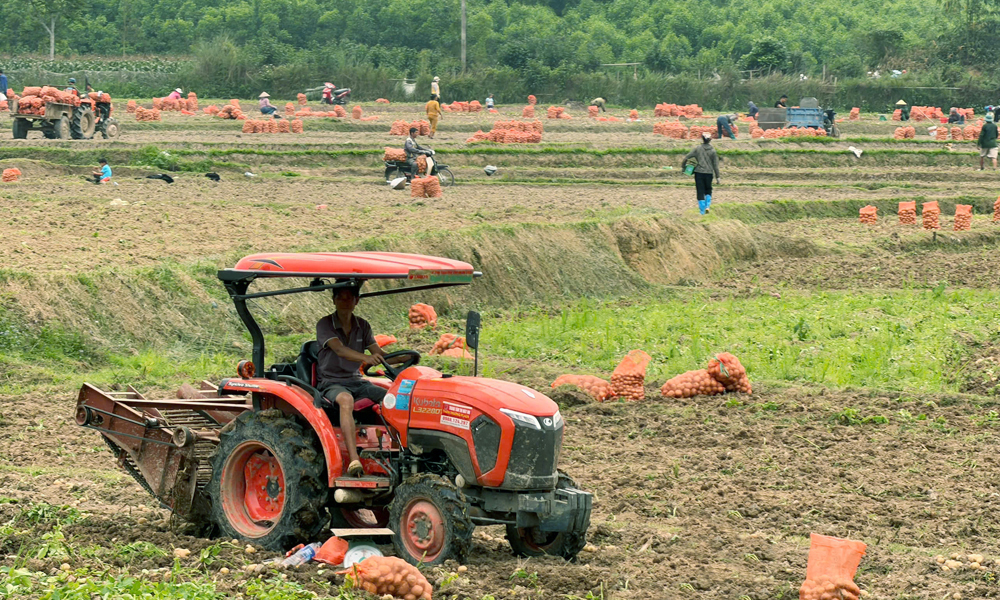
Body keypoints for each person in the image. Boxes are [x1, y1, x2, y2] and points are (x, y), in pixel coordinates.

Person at [316, 285, 403, 477]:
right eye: (341, 298)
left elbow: (378, 354)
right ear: (334, 300)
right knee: (345, 400)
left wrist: (404, 359)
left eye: (349, 298)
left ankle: (402, 450)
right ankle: (354, 460)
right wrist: (364, 358)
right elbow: (339, 349)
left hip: (356, 381)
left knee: (391, 397)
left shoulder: (362, 326)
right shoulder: (325, 324)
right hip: (331, 382)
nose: (345, 302)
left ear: (357, 301)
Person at [681, 132, 721, 215]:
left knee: (700, 191)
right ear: (710, 140)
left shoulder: (697, 149)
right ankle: (707, 206)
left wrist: (684, 167)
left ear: (702, 139)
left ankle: (702, 211)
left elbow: (686, 157)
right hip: (709, 173)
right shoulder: (713, 151)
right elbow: (715, 165)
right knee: (708, 189)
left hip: (699, 172)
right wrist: (718, 177)